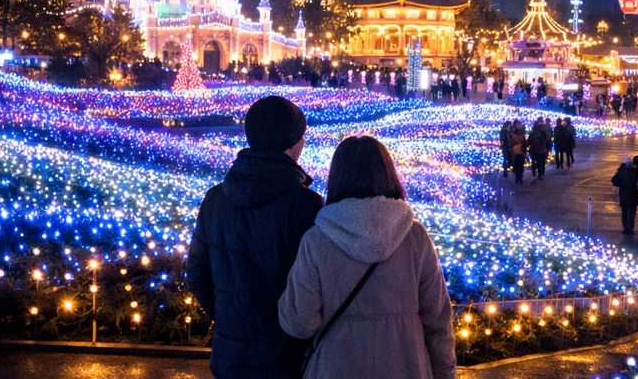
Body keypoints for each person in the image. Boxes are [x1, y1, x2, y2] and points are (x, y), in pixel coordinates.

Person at [278, 136, 456, 379]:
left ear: (336, 178)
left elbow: (299, 322)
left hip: (336, 368)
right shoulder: (415, 237)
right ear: (388, 175)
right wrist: (445, 372)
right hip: (407, 365)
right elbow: (438, 319)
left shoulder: (317, 240)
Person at [188, 96, 323, 379]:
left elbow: (197, 274)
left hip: (230, 354)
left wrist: (228, 318)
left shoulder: (215, 200)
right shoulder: (306, 206)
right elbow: (316, 283)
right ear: (295, 143)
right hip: (288, 356)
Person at [611, 156, 638, 235]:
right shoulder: (635, 171)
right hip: (633, 196)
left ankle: (625, 229)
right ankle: (631, 229)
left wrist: (621, 184)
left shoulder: (621, 171)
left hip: (624, 196)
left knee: (624, 213)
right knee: (632, 213)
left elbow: (614, 180)